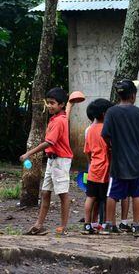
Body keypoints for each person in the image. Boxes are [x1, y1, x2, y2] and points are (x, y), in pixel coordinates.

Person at [101, 80, 139, 237]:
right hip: (137, 160)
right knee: (138, 193)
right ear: (133, 95)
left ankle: (109, 225)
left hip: (118, 160)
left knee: (113, 193)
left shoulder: (111, 112)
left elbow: (105, 135)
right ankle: (136, 226)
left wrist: (112, 146)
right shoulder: (138, 113)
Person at [20, 88, 73, 236]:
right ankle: (39, 224)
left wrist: (28, 154)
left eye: (52, 103)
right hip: (52, 161)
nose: (49, 106)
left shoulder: (58, 121)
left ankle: (63, 226)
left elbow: (49, 142)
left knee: (63, 194)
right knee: (45, 193)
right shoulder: (58, 118)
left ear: (61, 105)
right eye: (48, 103)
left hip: (60, 161)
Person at [82, 98, 113, 234]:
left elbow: (87, 151)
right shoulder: (107, 129)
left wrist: (92, 163)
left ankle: (88, 224)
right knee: (106, 198)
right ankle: (105, 224)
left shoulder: (90, 130)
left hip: (93, 168)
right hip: (106, 169)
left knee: (91, 197)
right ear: (105, 113)